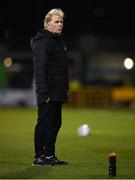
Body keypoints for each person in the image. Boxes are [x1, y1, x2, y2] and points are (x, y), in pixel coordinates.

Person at [31, 8, 69, 166]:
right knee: (44, 123)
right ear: (47, 24)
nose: (60, 25)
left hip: (58, 91)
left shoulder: (58, 41)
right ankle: (39, 156)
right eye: (56, 22)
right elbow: (40, 69)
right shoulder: (42, 41)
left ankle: (50, 155)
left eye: (61, 22)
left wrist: (64, 88)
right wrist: (44, 92)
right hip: (48, 92)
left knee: (55, 123)